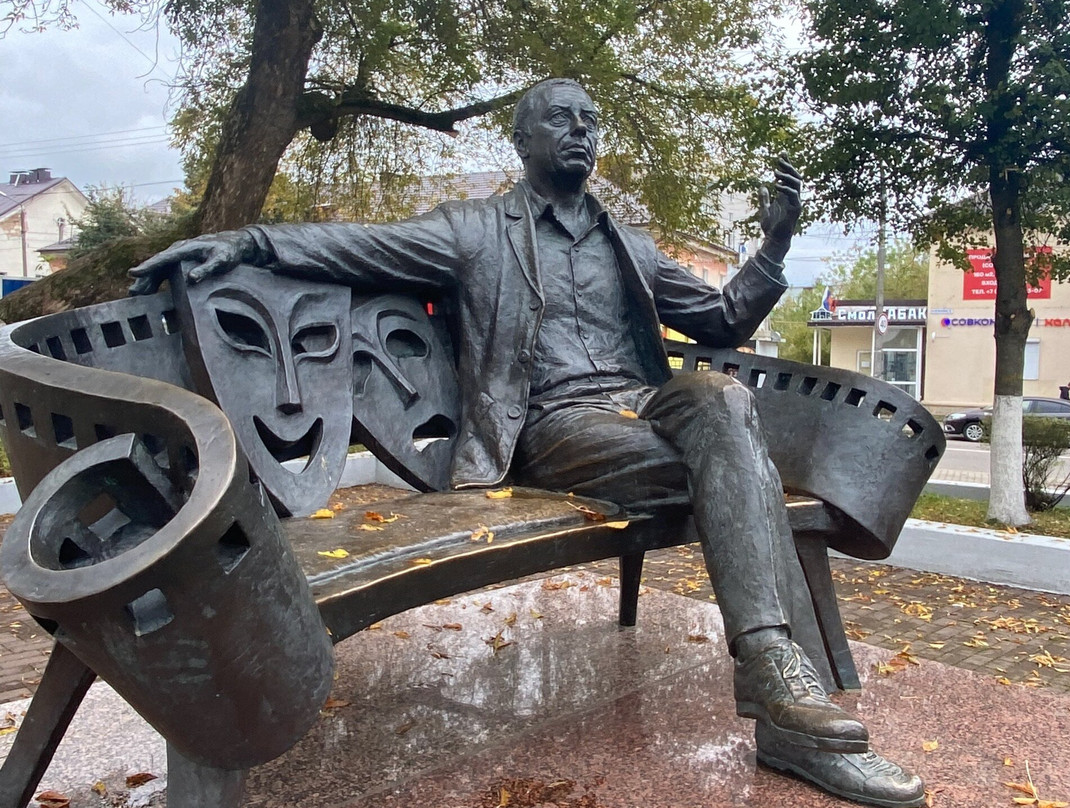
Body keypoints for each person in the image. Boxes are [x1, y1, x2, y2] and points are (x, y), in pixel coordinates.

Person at [131, 78, 923, 807]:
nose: (580, 131)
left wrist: (774, 250)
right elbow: (359, 245)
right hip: (554, 429)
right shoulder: (473, 231)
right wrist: (250, 244)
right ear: (522, 139)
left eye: (590, 120)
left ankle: (774, 674)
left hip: (647, 411)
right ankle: (787, 695)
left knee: (720, 398)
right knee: (740, 471)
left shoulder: (630, 244)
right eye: (561, 118)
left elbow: (719, 323)